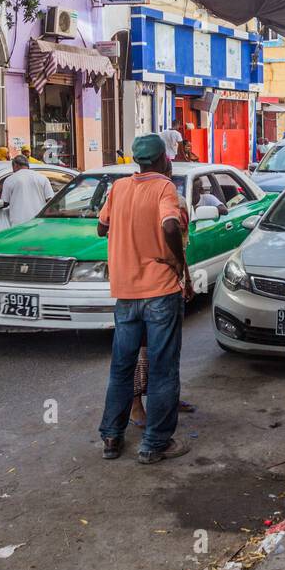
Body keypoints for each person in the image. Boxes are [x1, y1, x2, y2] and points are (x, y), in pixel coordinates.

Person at [97, 134, 194, 463]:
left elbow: (101, 227)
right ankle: (155, 444)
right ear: (164, 160)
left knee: (121, 368)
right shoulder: (164, 187)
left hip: (125, 292)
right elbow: (169, 225)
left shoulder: (119, 188)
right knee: (163, 369)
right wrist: (179, 262)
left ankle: (111, 437)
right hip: (160, 292)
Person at [1, 154, 55, 226]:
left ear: (15, 165)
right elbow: (50, 200)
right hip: (39, 221)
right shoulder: (42, 177)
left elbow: (5, 202)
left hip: (19, 223)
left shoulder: (10, 179)